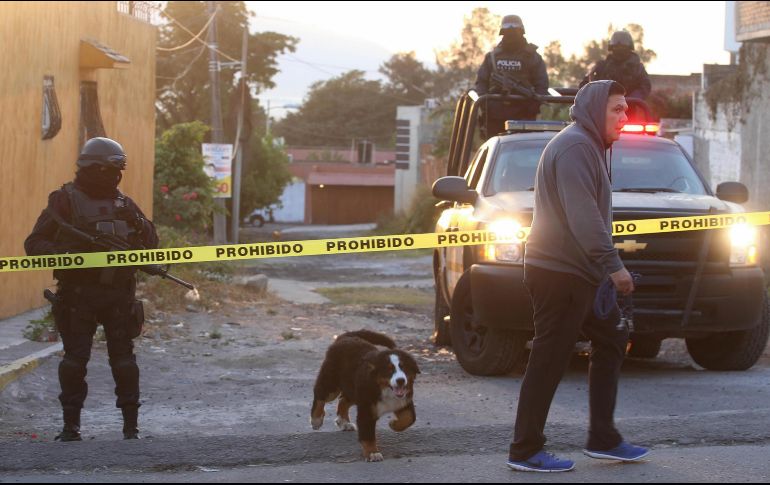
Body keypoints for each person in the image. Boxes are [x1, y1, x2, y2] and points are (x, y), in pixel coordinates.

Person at [507, 81, 648, 472]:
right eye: (617, 110)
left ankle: (603, 439)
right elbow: (583, 215)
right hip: (558, 273)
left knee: (612, 338)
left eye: (626, 110)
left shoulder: (592, 146)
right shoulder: (575, 147)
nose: (624, 117)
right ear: (593, 109)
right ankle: (524, 450)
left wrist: (602, 270)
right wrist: (614, 267)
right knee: (549, 359)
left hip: (579, 271)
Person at [24, 137, 159, 442]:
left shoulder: (124, 204)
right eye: (110, 170)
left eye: (118, 171)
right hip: (78, 296)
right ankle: (71, 427)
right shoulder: (64, 201)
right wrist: (67, 253)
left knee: (124, 362)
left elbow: (152, 245)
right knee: (74, 362)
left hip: (119, 296)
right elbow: (34, 244)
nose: (114, 177)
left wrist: (137, 222)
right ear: (95, 168)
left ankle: (130, 428)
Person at [474, 15, 549, 139]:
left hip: (524, 116)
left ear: (521, 32)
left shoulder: (532, 57)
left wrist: (532, 107)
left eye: (514, 31)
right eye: (507, 32)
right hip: (495, 116)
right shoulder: (492, 57)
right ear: (502, 33)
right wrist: (486, 105)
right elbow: (481, 83)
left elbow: (542, 85)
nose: (511, 35)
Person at [581, 30, 651, 100]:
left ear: (629, 48)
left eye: (623, 47)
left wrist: (632, 98)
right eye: (616, 47)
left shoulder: (638, 68)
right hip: (604, 105)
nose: (619, 49)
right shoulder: (601, 66)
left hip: (630, 106)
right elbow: (586, 83)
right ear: (611, 48)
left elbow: (645, 86)